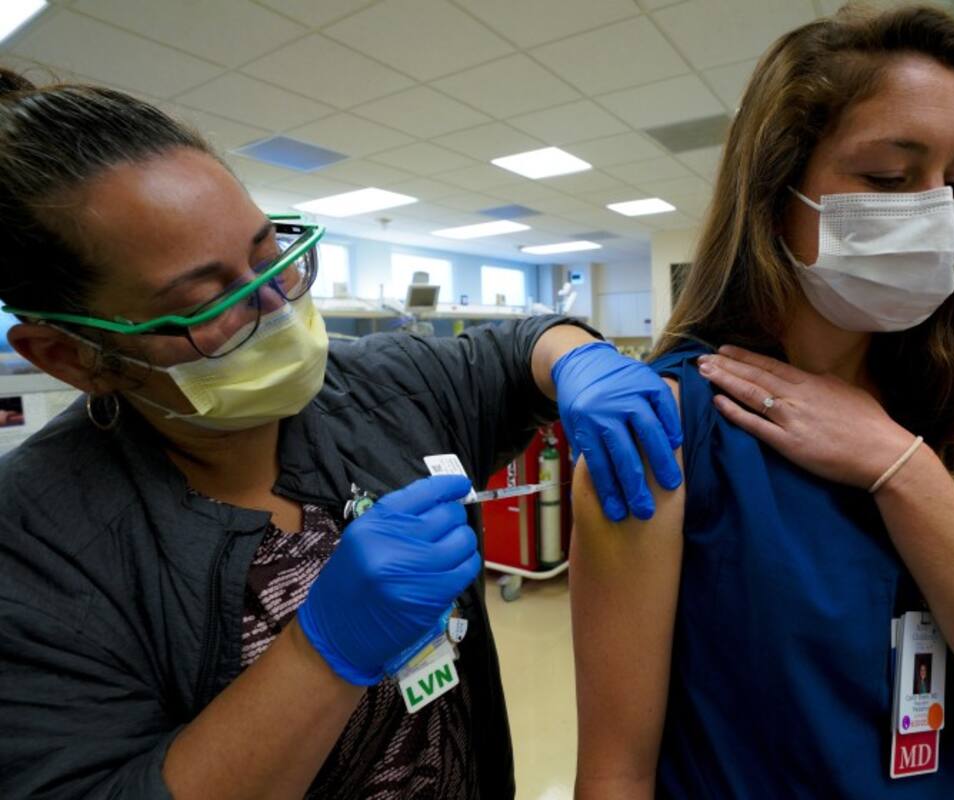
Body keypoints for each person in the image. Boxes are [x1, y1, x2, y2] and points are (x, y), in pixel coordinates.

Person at [0, 70, 684, 799]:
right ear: (71, 357)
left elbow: (519, 345)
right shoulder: (34, 546)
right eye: (207, 304)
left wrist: (578, 357)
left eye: (272, 258)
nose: (276, 309)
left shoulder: (377, 387)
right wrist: (319, 655)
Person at [569, 6, 954, 798]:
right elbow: (616, 771)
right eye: (890, 178)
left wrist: (899, 467)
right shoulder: (668, 427)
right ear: (777, 189)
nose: (931, 215)